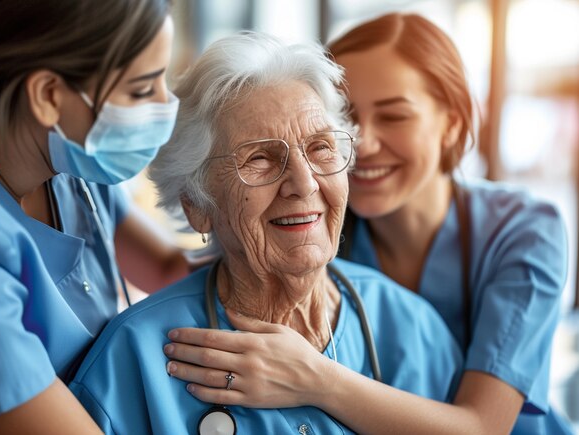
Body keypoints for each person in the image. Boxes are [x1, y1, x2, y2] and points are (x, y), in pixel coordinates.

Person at [162, 13, 572, 434]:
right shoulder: (308, 224)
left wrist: (314, 378)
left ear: (450, 123)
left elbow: (483, 428)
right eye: (350, 119)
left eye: (394, 116)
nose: (366, 143)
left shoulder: (522, 232)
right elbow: (216, 258)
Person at [69, 31, 464, 434]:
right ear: (197, 206)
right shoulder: (136, 357)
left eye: (320, 148)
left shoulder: (412, 329)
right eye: (259, 157)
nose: (304, 183)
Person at [0, 0, 187, 433]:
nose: (165, 106)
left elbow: (166, 267)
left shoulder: (72, 157)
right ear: (48, 96)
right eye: (141, 90)